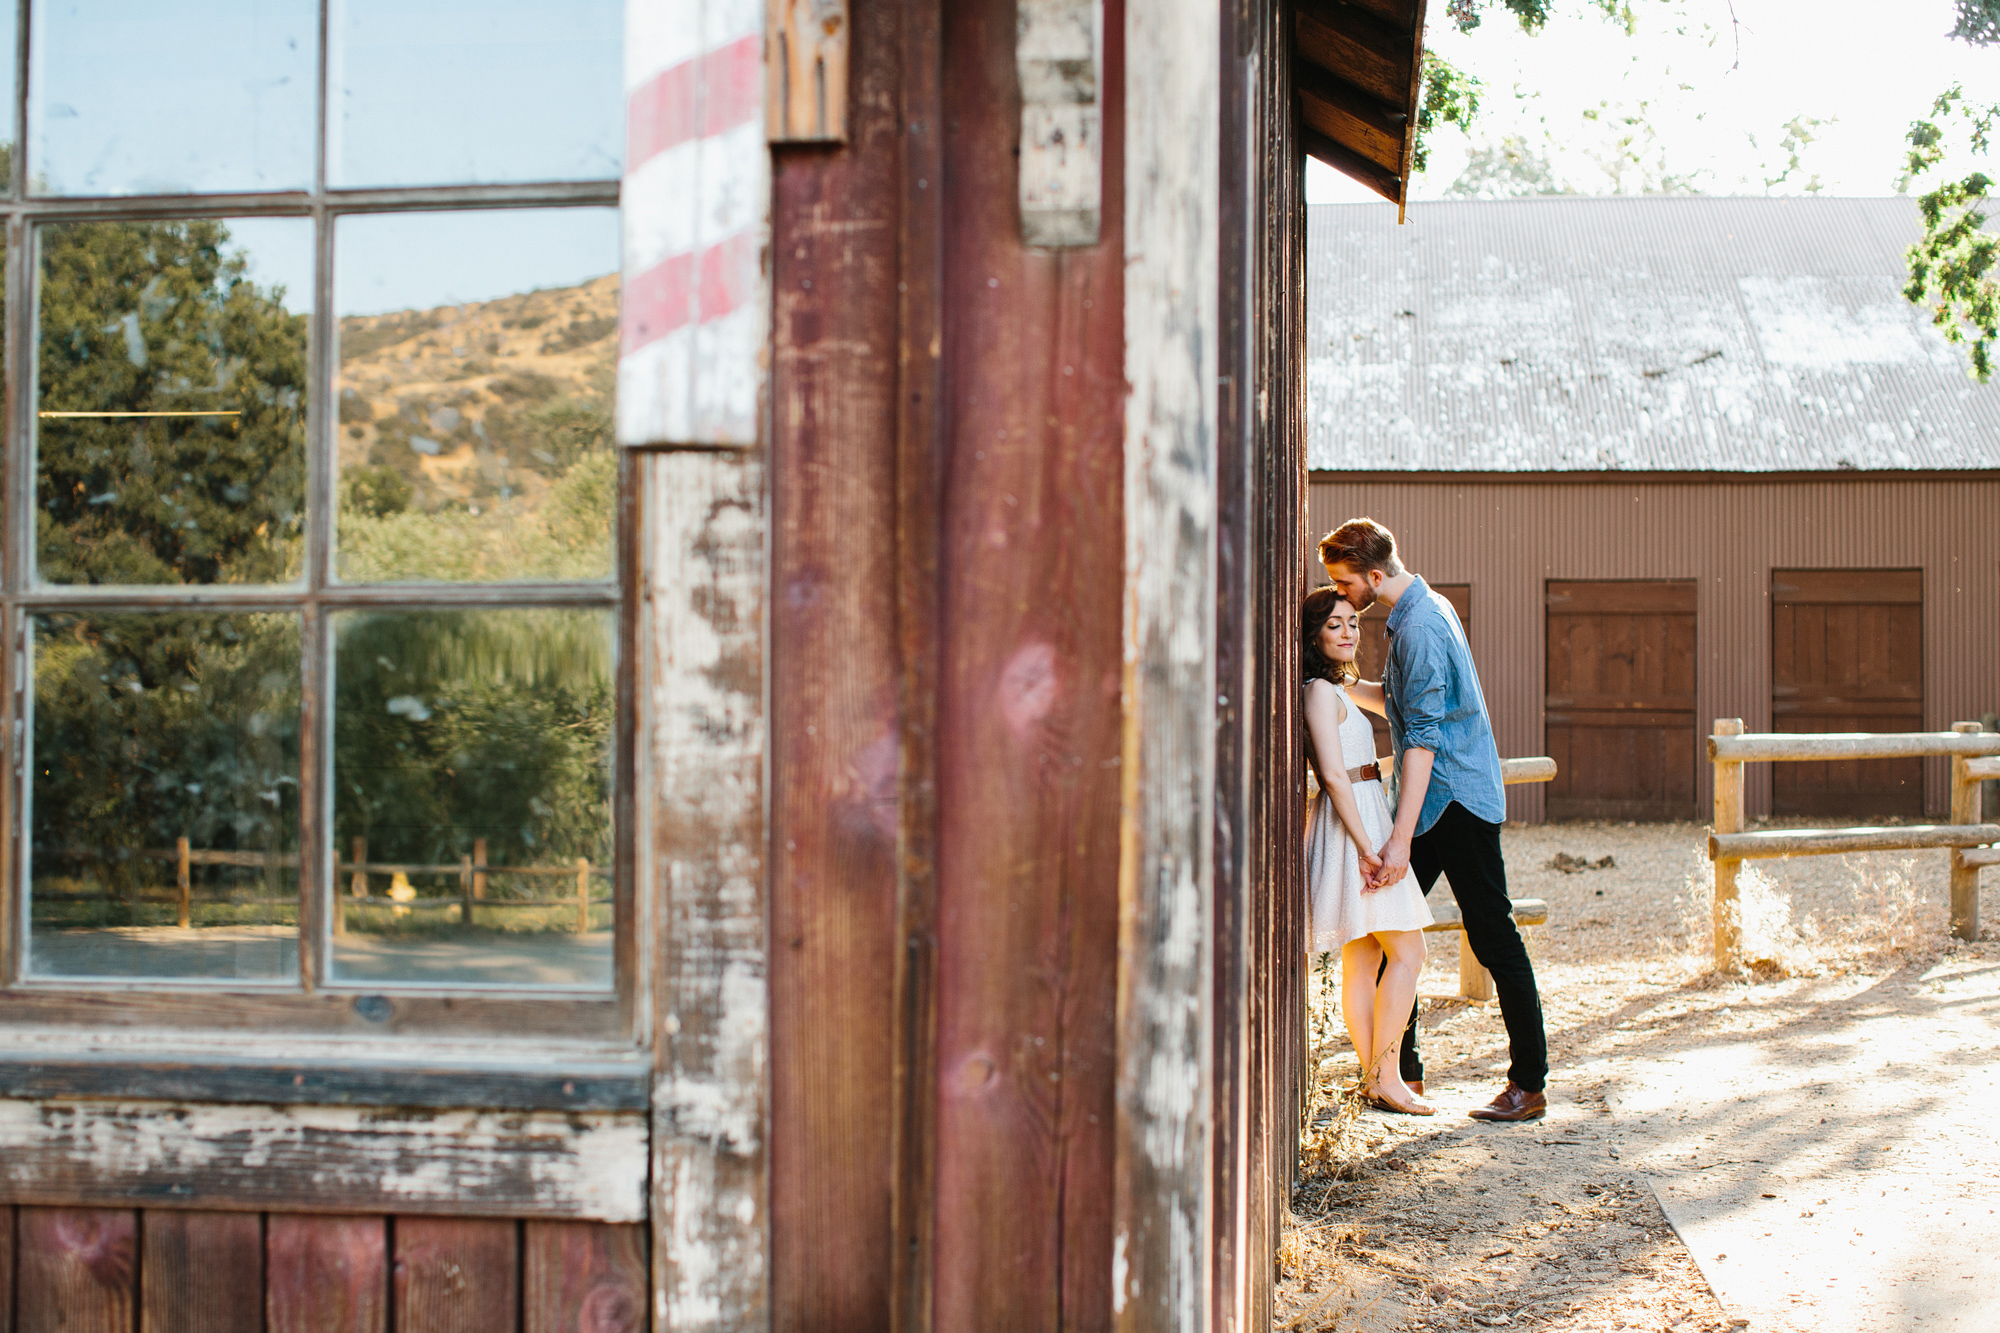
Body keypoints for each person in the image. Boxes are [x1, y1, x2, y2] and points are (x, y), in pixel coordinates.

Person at [1318, 517, 1549, 1124]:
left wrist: (1398, 837)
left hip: (1455, 802)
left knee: (1493, 936)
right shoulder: (1422, 607)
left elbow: (1420, 740)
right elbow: (1396, 702)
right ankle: (1400, 1072)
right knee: (1386, 929)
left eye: (1345, 583)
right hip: (1439, 798)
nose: (1343, 595)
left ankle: (1529, 1083)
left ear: (1373, 575)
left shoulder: (1418, 627)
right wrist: (1334, 684)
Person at [1302, 587, 1435, 1116]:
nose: (1349, 632)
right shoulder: (1318, 691)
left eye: (1353, 622)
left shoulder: (1337, 689)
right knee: (1411, 951)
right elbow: (1332, 774)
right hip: (1350, 823)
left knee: (1368, 953)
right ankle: (1386, 1075)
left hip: (1364, 811)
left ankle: (1375, 1077)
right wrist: (1364, 846)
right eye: (1334, 625)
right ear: (1314, 636)